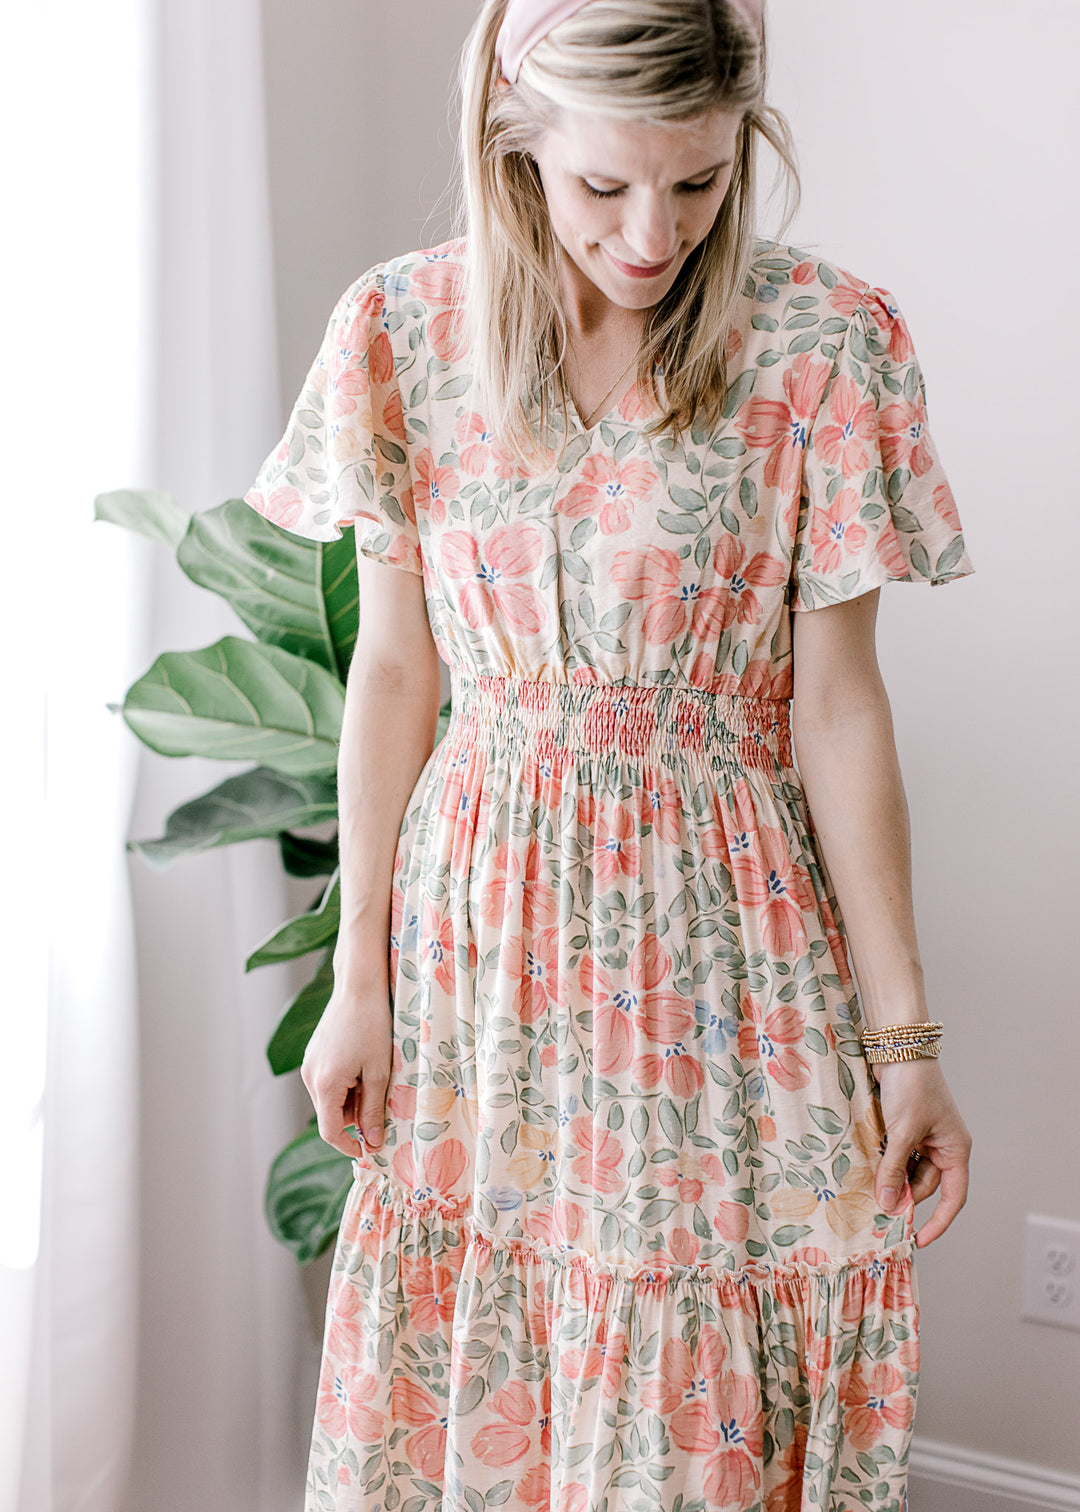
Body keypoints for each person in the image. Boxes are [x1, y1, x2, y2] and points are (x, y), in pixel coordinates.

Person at [243, 0, 975, 1506]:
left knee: (703, 1388)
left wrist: (907, 1046)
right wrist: (356, 980)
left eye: (700, 183)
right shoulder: (400, 334)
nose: (654, 234)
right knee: (485, 1360)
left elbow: (836, 706)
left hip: (728, 952)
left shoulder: (826, 343)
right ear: (519, 143)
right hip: (482, 950)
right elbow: (394, 672)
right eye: (605, 187)